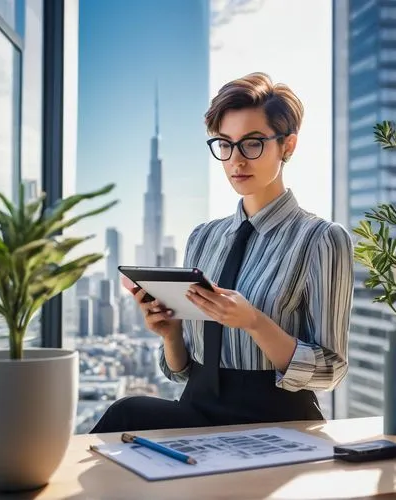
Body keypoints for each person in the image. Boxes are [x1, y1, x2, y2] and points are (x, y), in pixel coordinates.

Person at [90, 72, 354, 433]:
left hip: (274, 419)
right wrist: (170, 334)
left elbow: (330, 370)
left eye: (253, 143)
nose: (236, 160)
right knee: (127, 414)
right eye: (225, 144)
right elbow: (181, 370)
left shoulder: (321, 238)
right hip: (198, 409)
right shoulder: (204, 237)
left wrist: (255, 322)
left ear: (288, 146)